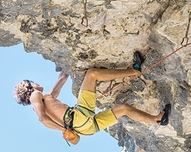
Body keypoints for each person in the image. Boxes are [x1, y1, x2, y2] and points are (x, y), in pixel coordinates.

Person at [13, 52, 171, 144]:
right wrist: (64, 129)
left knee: (123, 109)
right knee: (92, 74)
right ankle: (133, 71)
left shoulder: (46, 99)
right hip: (77, 119)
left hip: (85, 128)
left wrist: (64, 62)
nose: (36, 83)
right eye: (32, 82)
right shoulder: (36, 95)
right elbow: (42, 119)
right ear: (29, 86)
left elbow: (61, 79)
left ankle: (157, 119)